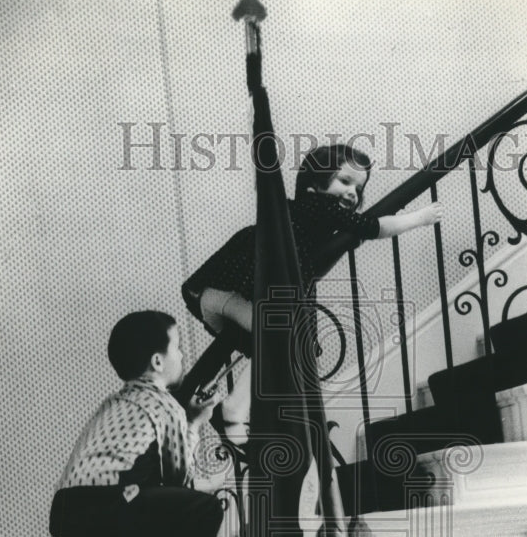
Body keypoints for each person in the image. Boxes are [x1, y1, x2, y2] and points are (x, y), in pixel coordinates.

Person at [179, 143, 444, 442]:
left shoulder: (301, 212)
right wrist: (419, 218)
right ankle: (232, 412)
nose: (352, 193)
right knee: (285, 339)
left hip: (216, 296)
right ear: (315, 180)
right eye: (344, 181)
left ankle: (201, 399)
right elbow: (373, 227)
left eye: (358, 188)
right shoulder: (319, 205)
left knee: (278, 346)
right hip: (227, 291)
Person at [49, 310, 223, 537]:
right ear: (158, 361)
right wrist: (195, 423)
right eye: (178, 348)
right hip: (111, 502)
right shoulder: (164, 405)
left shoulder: (116, 402)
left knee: (144, 507)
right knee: (205, 511)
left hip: (69, 512)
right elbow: (180, 477)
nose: (183, 356)